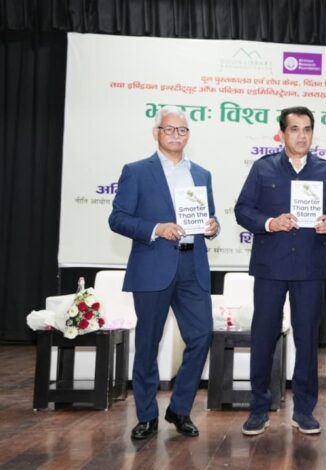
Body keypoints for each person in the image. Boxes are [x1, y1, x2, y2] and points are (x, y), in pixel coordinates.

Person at [109, 105, 220, 440]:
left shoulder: (201, 174)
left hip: (192, 266)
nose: (176, 135)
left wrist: (213, 226)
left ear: (188, 135)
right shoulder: (136, 171)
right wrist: (156, 228)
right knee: (148, 343)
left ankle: (179, 408)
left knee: (202, 335)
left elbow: (210, 216)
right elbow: (118, 218)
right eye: (169, 129)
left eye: (182, 130)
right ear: (156, 132)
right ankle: (146, 415)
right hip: (153, 265)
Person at [235, 106, 326, 436]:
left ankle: (304, 410)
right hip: (271, 267)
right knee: (264, 337)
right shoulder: (263, 168)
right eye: (295, 129)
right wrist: (270, 222)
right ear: (282, 133)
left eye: (307, 129)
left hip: (311, 268)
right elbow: (242, 210)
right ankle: (259, 409)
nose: (302, 135)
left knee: (308, 340)